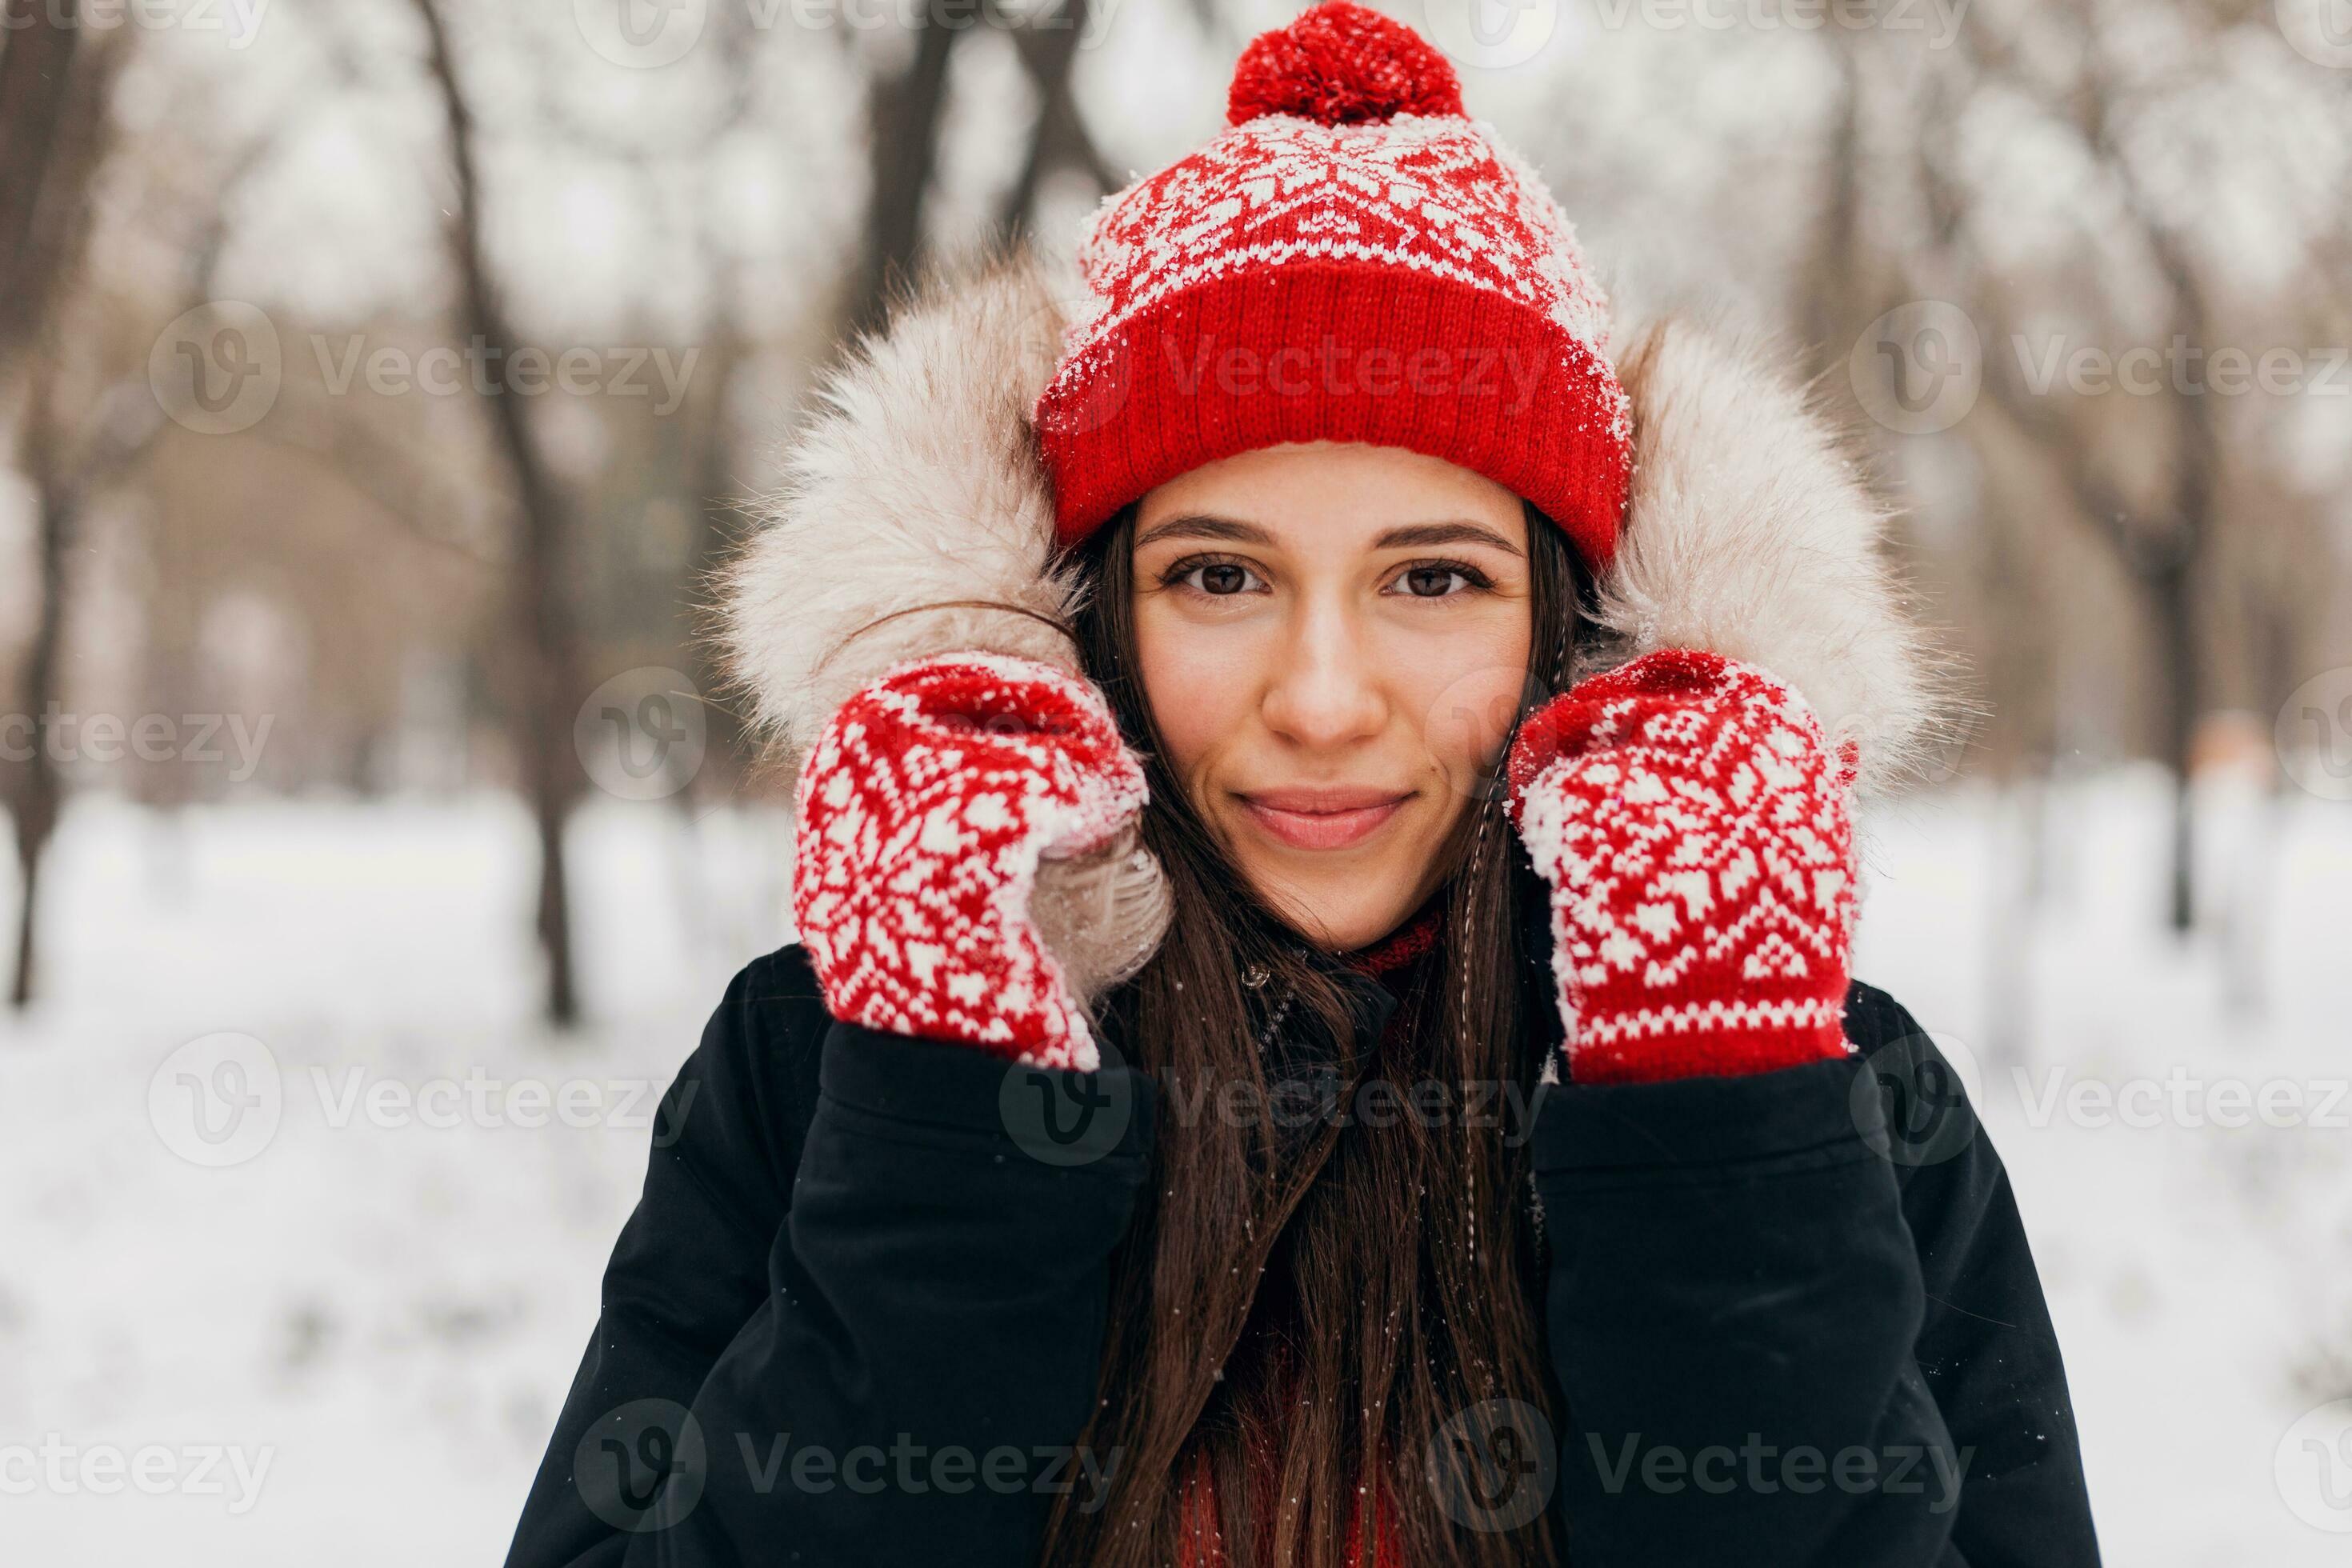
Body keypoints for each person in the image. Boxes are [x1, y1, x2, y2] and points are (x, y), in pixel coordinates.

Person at [505, 6, 2098, 1565]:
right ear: (1093, 610)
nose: (1322, 700)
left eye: (1434, 582)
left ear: (1569, 618)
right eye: (1218, 576)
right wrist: (945, 1114)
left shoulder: (1826, 1080)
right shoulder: (825, 1062)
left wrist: (1716, 1128)